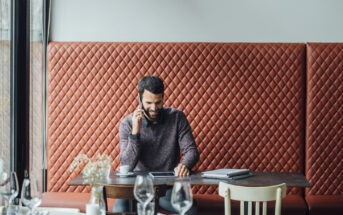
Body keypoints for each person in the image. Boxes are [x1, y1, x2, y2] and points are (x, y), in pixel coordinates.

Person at [113, 76, 199, 215]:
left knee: (190, 208)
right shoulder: (127, 123)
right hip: (137, 187)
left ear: (163, 98)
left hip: (167, 188)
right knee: (119, 210)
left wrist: (185, 165)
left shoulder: (177, 117)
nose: (154, 108)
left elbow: (191, 151)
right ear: (140, 99)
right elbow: (126, 164)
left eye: (158, 102)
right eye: (148, 103)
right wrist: (135, 133)